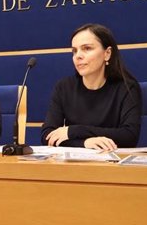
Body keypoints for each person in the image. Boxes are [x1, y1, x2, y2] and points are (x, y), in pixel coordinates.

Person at [41, 23, 141, 151]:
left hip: (113, 165)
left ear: (107, 53)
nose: (78, 56)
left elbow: (129, 136)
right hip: (73, 166)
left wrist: (74, 130)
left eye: (87, 48)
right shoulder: (64, 87)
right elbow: (47, 136)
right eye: (74, 51)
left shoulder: (127, 87)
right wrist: (85, 143)